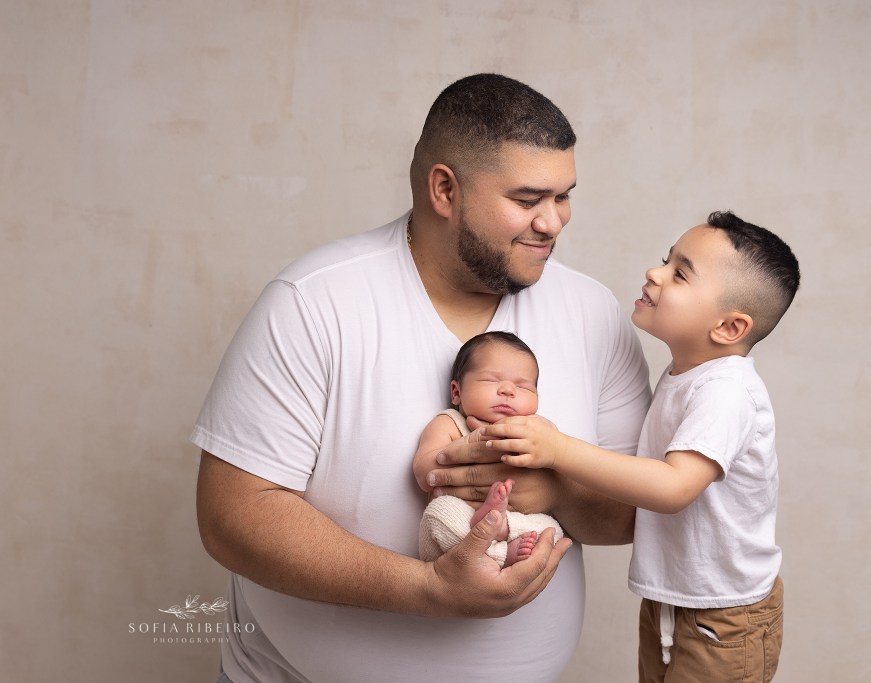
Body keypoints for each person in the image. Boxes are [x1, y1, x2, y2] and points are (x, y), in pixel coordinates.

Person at [192, 73, 652, 682]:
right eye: (527, 199)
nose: (554, 223)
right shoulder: (314, 301)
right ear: (444, 189)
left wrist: (556, 491)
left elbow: (632, 512)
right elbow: (233, 517)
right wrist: (430, 589)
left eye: (564, 196)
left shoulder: (594, 313)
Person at [477, 211, 799, 682]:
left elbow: (672, 488)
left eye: (680, 273)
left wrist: (557, 450)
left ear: (729, 328)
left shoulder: (727, 392)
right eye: (665, 260)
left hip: (724, 618)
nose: (655, 273)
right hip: (679, 600)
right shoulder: (688, 376)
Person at [414, 331, 564, 568]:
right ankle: (497, 552)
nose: (507, 390)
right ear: (456, 392)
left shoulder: (537, 429)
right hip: (462, 522)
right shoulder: (450, 423)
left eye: (523, 387)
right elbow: (425, 475)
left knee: (552, 530)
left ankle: (501, 533)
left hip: (514, 522)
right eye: (491, 381)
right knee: (440, 514)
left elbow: (559, 464)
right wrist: (472, 445)